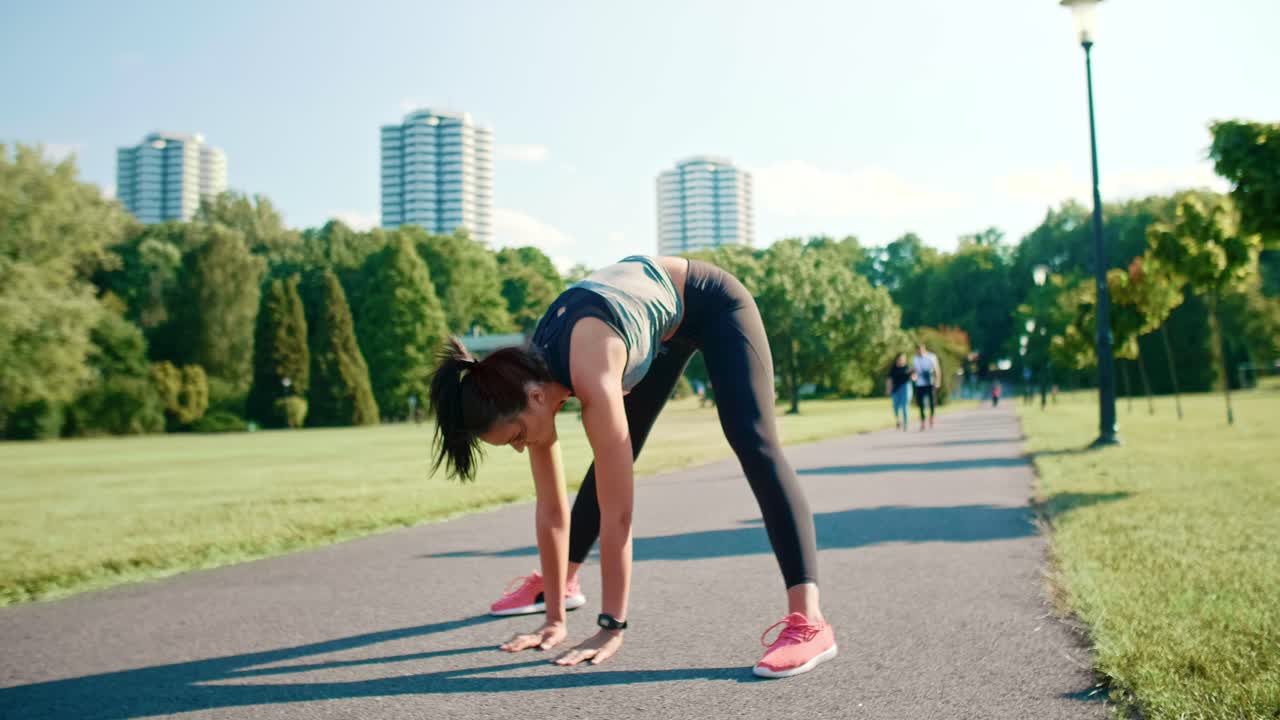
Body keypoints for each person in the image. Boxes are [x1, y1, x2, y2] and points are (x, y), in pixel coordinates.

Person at [428, 255, 836, 679]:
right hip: (649, 326)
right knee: (611, 460)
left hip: (710, 302)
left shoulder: (588, 372)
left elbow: (618, 514)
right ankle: (562, 586)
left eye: (514, 437)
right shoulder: (526, 384)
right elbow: (551, 512)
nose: (519, 448)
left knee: (752, 439)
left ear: (533, 399)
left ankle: (809, 622)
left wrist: (611, 627)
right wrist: (554, 621)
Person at [911, 343, 941, 430]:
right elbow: (914, 370)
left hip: (930, 382)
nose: (919, 351)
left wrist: (938, 381)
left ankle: (931, 417)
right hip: (919, 384)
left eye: (921, 349)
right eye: (918, 350)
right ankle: (923, 422)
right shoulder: (915, 359)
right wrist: (914, 376)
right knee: (920, 404)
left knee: (931, 402)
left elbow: (937, 369)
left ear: (924, 349)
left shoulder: (931, 357)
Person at [885, 353, 914, 430]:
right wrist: (888, 389)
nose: (901, 360)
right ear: (897, 359)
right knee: (895, 406)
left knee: (905, 406)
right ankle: (898, 421)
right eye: (900, 359)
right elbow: (889, 379)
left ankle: (905, 423)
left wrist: (913, 375)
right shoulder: (893, 368)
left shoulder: (907, 368)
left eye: (903, 359)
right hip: (896, 388)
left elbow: (914, 377)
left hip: (905, 388)